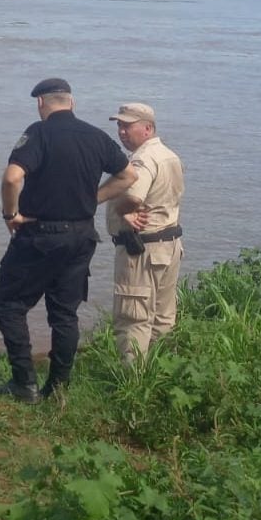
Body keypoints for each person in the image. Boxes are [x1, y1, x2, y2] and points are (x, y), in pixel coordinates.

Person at [0, 78, 136, 403]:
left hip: (41, 236)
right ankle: (57, 388)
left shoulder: (39, 133)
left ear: (41, 104)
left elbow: (13, 177)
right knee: (64, 313)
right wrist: (90, 199)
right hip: (81, 235)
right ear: (72, 102)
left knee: (8, 303)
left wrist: (9, 214)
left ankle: (24, 383)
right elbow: (128, 176)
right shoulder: (95, 136)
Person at [104, 102, 184, 365]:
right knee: (163, 317)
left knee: (133, 318)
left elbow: (134, 196)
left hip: (142, 251)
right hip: (169, 245)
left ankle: (132, 382)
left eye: (127, 126)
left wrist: (123, 209)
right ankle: (161, 373)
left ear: (147, 129)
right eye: (119, 125)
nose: (121, 132)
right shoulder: (169, 155)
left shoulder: (143, 159)